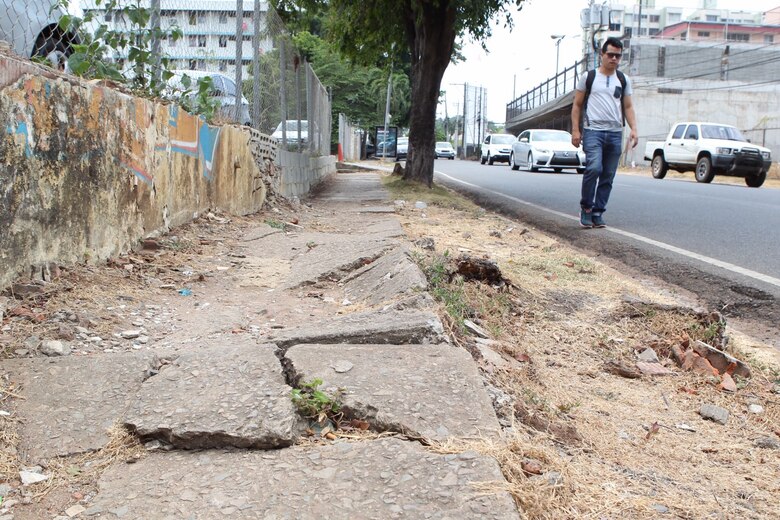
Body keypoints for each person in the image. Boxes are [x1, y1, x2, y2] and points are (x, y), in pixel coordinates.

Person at [571, 37, 638, 228]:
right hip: (593, 131)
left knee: (608, 174)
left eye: (618, 55)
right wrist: (576, 130)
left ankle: (598, 212)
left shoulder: (623, 80)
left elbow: (628, 106)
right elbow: (576, 105)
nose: (614, 59)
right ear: (602, 54)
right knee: (594, 168)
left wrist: (634, 129)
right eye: (610, 54)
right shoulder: (589, 77)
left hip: (615, 132)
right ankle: (586, 208)